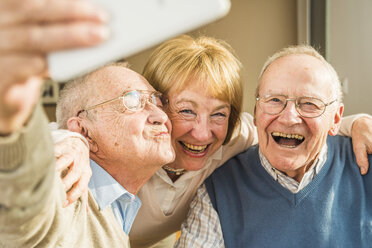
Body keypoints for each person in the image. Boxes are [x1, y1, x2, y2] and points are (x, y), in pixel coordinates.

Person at [54, 35, 372, 248]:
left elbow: (299, 123)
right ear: (156, 108)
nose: (203, 134)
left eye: (218, 114)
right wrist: (71, 139)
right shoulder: (118, 146)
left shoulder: (236, 138)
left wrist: (356, 123)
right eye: (186, 111)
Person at [0, 1, 176, 247]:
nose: (160, 115)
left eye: (156, 100)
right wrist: (12, 117)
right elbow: (22, 202)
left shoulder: (123, 209)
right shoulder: (65, 189)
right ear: (84, 131)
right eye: (132, 101)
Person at [176, 45, 372, 248]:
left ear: (336, 118)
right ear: (256, 111)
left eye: (309, 104)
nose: (288, 118)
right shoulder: (218, 190)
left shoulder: (365, 163)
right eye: (275, 100)